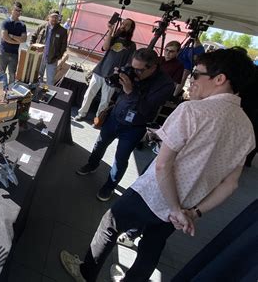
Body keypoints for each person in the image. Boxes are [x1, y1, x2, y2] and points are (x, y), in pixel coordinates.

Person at [60, 48, 256, 282]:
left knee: (110, 222)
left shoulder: (193, 110)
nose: (191, 80)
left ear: (219, 79)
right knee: (152, 247)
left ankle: (85, 272)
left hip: (154, 195)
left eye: (195, 74)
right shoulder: (247, 129)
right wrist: (193, 212)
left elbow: (163, 166)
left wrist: (174, 208)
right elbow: (230, 184)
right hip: (187, 207)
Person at [76, 48, 174, 201]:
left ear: (153, 67)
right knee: (100, 144)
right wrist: (118, 78)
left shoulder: (165, 84)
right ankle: (92, 164)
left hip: (135, 126)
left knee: (121, 158)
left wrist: (130, 90)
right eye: (133, 67)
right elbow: (117, 87)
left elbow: (147, 108)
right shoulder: (133, 70)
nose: (135, 72)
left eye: (139, 70)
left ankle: (110, 186)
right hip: (116, 116)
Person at [74, 18, 136, 128]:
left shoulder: (131, 45)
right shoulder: (113, 38)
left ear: (131, 29)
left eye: (127, 25)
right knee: (89, 94)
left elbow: (130, 62)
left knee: (105, 100)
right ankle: (81, 113)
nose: (123, 26)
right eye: (122, 23)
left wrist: (121, 71)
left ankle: (98, 120)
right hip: (100, 70)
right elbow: (105, 47)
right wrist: (110, 31)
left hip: (113, 76)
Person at [30, 9, 68, 85]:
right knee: (36, 77)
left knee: (50, 81)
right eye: (52, 17)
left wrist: (58, 57)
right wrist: (33, 48)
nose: (54, 19)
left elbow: (64, 46)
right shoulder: (42, 27)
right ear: (49, 17)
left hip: (52, 59)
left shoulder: (62, 31)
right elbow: (33, 36)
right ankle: (36, 92)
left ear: (58, 18)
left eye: (56, 17)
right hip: (40, 57)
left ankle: (47, 95)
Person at [0, 1, 27, 88]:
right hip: (4, 52)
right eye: (17, 10)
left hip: (14, 54)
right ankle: (1, 90)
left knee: (12, 73)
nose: (18, 13)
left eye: (20, 11)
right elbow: (5, 37)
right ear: (12, 10)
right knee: (1, 72)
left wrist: (12, 36)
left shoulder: (22, 25)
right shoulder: (5, 22)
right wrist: (17, 41)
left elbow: (24, 39)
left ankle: (10, 92)